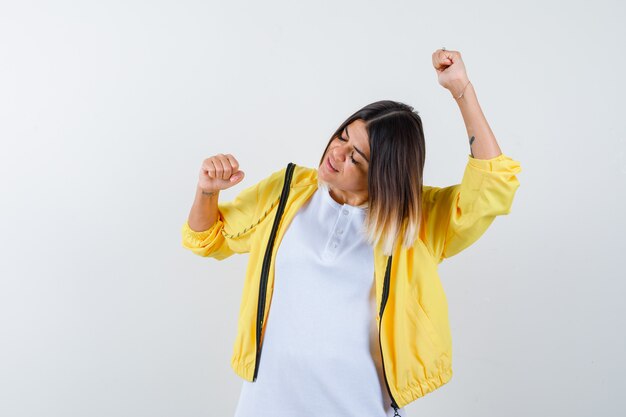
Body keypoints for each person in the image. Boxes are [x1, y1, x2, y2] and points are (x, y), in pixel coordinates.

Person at [181, 49, 522, 417]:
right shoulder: (287, 192)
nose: (337, 153)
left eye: (356, 156)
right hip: (267, 405)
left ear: (383, 174)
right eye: (343, 136)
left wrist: (462, 91)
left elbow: (490, 189)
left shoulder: (416, 222)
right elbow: (208, 238)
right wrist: (207, 190)